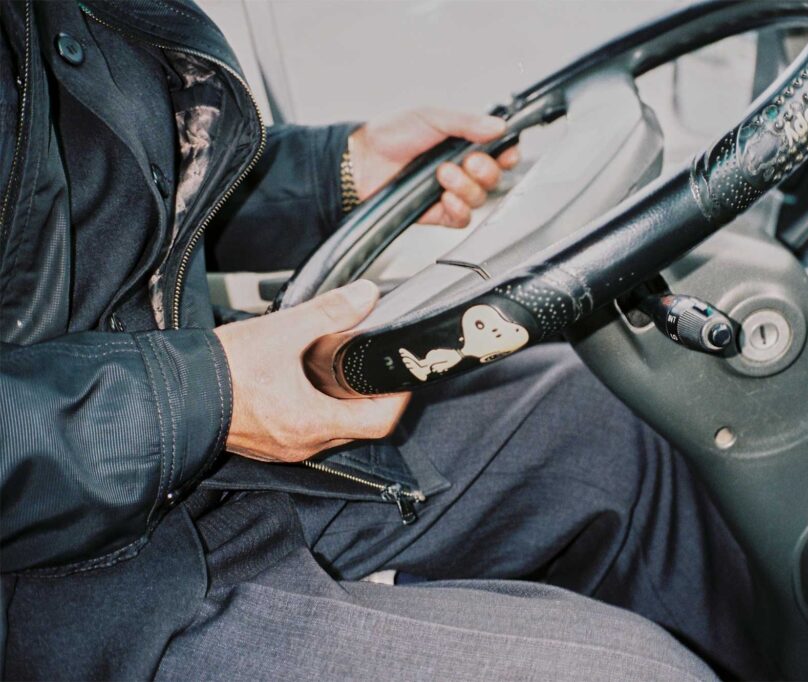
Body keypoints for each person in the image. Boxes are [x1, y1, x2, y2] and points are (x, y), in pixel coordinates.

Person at [0, 1, 763, 679]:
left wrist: (337, 171)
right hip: (69, 596)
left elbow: (102, 207)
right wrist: (211, 395)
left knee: (603, 429)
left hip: (199, 466)